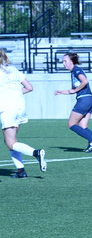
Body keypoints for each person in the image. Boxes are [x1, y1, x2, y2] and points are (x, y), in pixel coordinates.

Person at [0, 49, 47, 178]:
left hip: (7, 109)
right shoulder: (13, 69)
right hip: (20, 107)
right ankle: (21, 171)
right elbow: (29, 87)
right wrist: (13, 94)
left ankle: (36, 153)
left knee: (10, 143)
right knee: (12, 141)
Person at [54, 52, 92, 153]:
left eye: (65, 61)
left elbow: (85, 81)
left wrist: (75, 90)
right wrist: (61, 92)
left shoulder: (76, 70)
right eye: (63, 61)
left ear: (71, 61)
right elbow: (72, 90)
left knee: (71, 124)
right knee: (83, 126)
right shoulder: (73, 72)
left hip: (84, 100)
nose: (63, 63)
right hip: (89, 100)